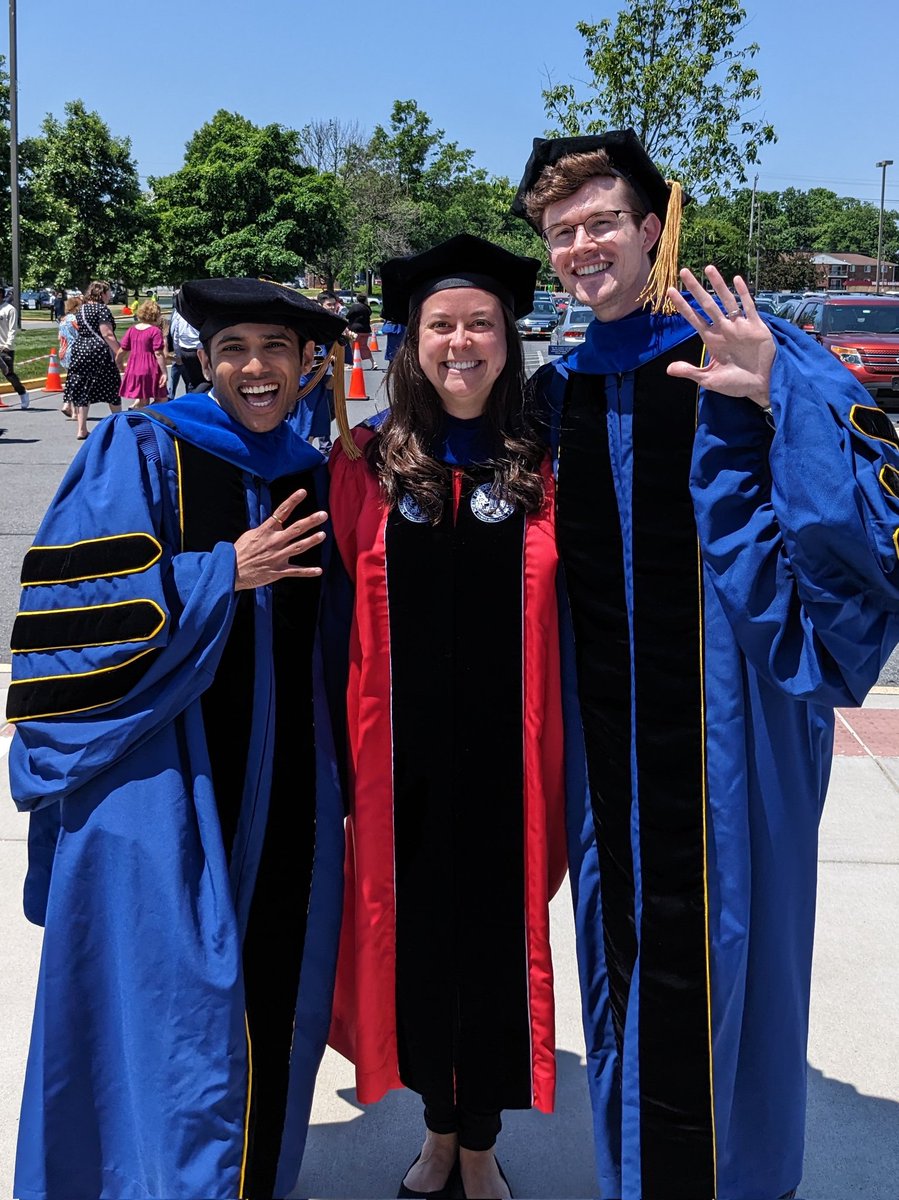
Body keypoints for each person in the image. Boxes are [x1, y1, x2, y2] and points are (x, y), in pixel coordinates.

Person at [511, 129, 899, 1200]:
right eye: (561, 231)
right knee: (625, 966)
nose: (582, 245)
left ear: (650, 229)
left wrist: (780, 399)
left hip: (733, 734)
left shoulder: (745, 344)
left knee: (736, 958)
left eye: (600, 223)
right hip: (607, 745)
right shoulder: (557, 393)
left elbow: (868, 513)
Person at [6, 278, 349, 1200]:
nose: (254, 367)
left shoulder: (314, 472)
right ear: (202, 356)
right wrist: (217, 575)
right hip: (158, 781)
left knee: (273, 992)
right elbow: (67, 617)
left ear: (309, 363)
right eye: (233, 345)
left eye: (277, 347)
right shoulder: (139, 445)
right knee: (166, 1003)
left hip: (288, 789)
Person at [327, 235, 566, 1200]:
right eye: (440, 325)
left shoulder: (551, 463)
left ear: (510, 338)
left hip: (515, 764)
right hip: (402, 768)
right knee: (416, 943)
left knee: (498, 951)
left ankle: (480, 1143)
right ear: (409, 340)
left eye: (480, 324)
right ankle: (435, 1131)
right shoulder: (361, 463)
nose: (460, 342)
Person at [62, 280, 122, 439]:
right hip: (99, 351)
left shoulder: (81, 309)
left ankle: (81, 429)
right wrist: (119, 353)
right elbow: (107, 334)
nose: (110, 295)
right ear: (101, 294)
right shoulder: (102, 309)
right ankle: (120, 423)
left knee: (83, 387)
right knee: (112, 385)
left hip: (80, 350)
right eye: (108, 292)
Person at [115, 297, 168, 408]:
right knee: (161, 399)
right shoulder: (155, 331)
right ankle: (145, 413)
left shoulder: (132, 330)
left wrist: (119, 362)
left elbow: (123, 349)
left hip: (134, 367)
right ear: (155, 315)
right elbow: (158, 353)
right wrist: (164, 372)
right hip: (150, 367)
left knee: (143, 398)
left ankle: (136, 409)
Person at [0, 288, 31, 409]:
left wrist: (8, 345)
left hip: (5, 348)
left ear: (1, 295)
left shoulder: (10, 309)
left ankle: (22, 392)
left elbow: (13, 329)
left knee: (9, 374)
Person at [169, 301, 206, 391]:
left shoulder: (179, 315)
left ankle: (192, 397)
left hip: (185, 350)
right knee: (204, 379)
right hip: (198, 349)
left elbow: (175, 333)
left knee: (191, 381)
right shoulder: (200, 313)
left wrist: (178, 354)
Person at [344, 291, 377, 368]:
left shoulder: (354, 307)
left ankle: (351, 363)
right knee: (363, 346)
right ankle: (373, 362)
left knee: (353, 346)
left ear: (357, 299)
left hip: (355, 330)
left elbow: (348, 316)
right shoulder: (367, 308)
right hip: (366, 330)